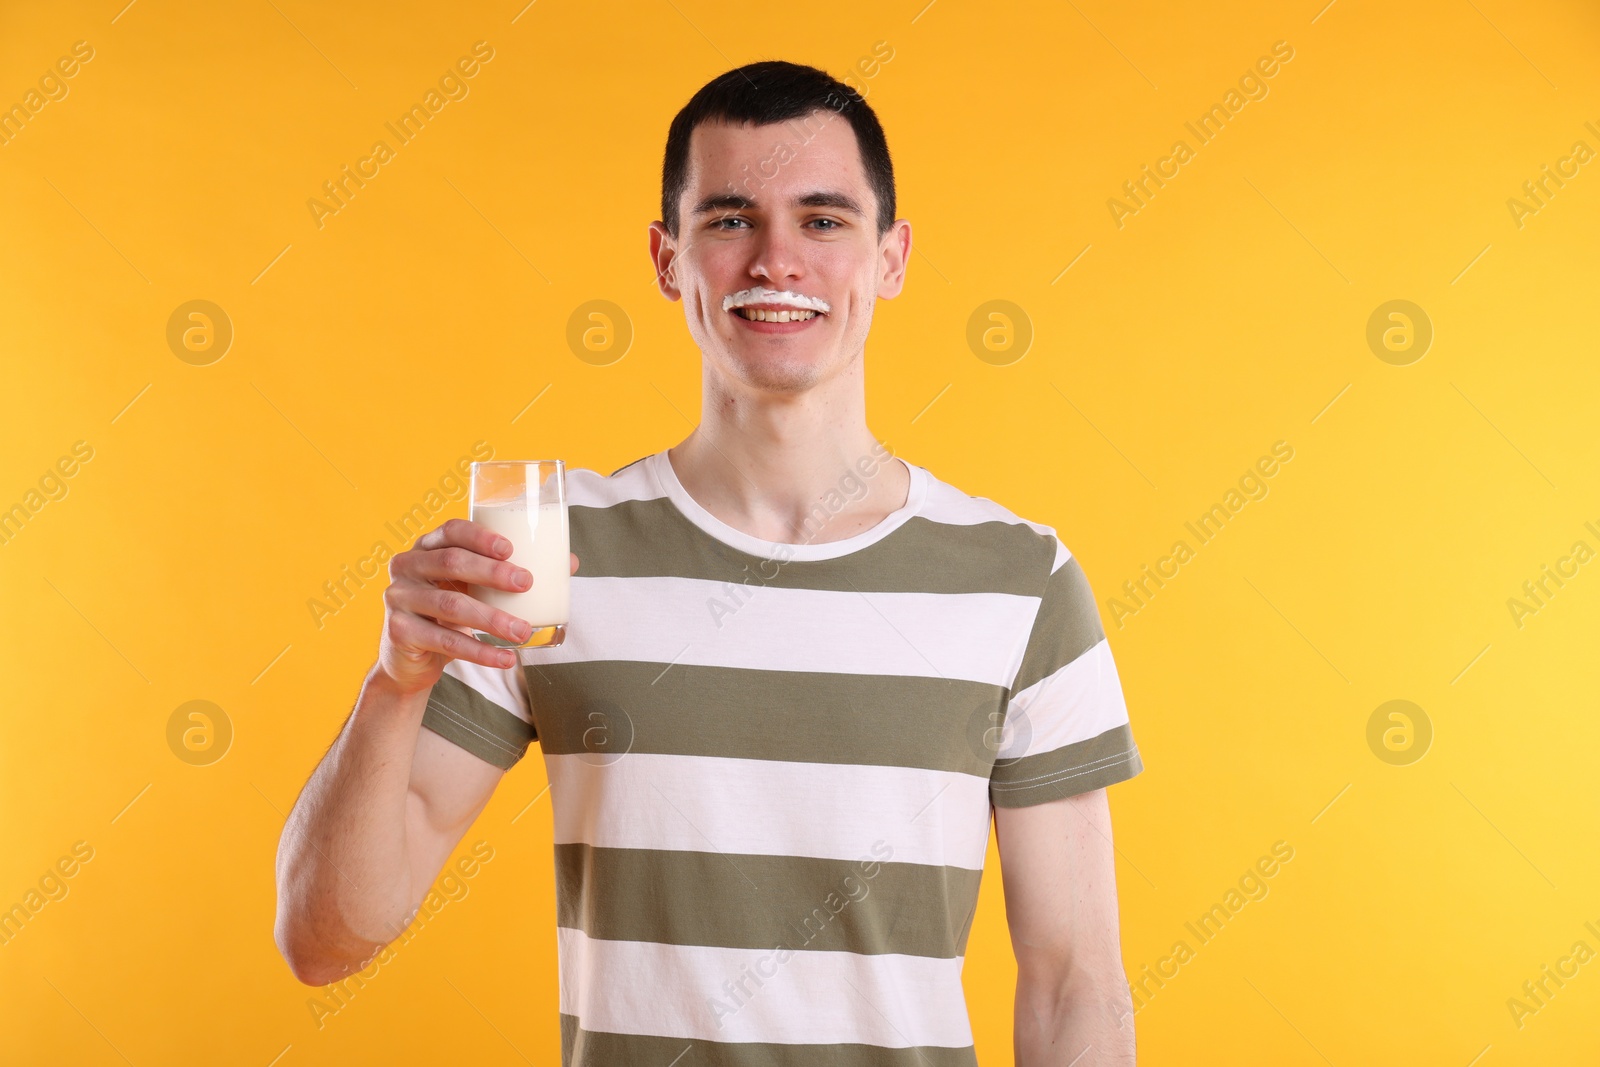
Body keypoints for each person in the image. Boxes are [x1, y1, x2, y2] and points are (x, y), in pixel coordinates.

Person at [274, 59, 1144, 1066]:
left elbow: (1078, 981)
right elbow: (326, 936)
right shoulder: (547, 558)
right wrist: (395, 681)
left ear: (891, 257)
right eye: (730, 220)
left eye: (823, 221)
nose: (776, 261)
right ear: (665, 257)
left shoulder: (1019, 581)